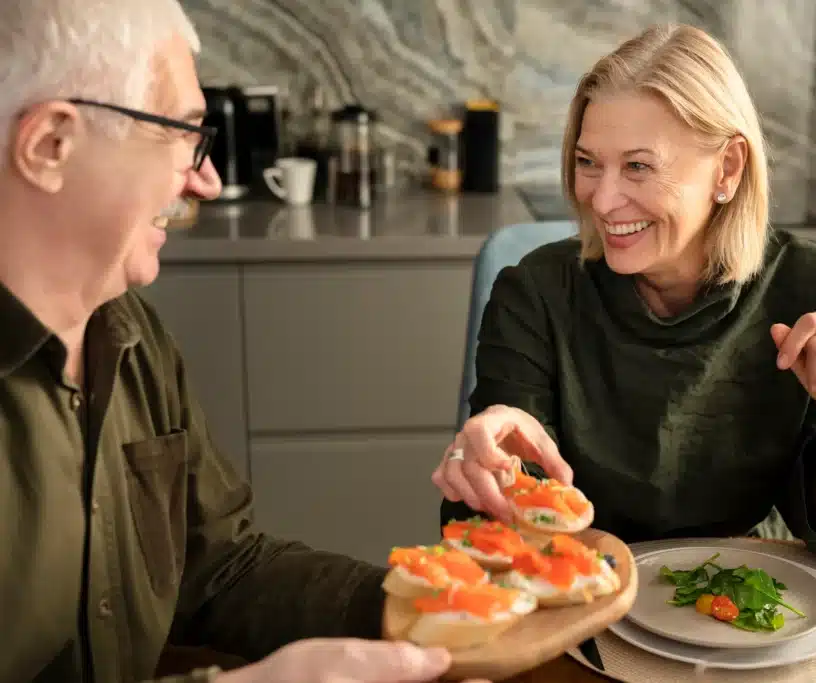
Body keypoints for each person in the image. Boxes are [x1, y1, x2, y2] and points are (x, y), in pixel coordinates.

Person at [0, 2, 486, 683]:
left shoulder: (133, 336)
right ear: (51, 143)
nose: (205, 178)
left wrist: (428, 603)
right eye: (184, 135)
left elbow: (219, 566)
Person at [433, 24, 816, 564]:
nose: (602, 201)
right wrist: (490, 470)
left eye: (638, 166)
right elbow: (502, 535)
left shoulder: (811, 284)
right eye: (588, 163)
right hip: (589, 588)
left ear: (727, 168)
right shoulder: (534, 293)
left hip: (752, 591)